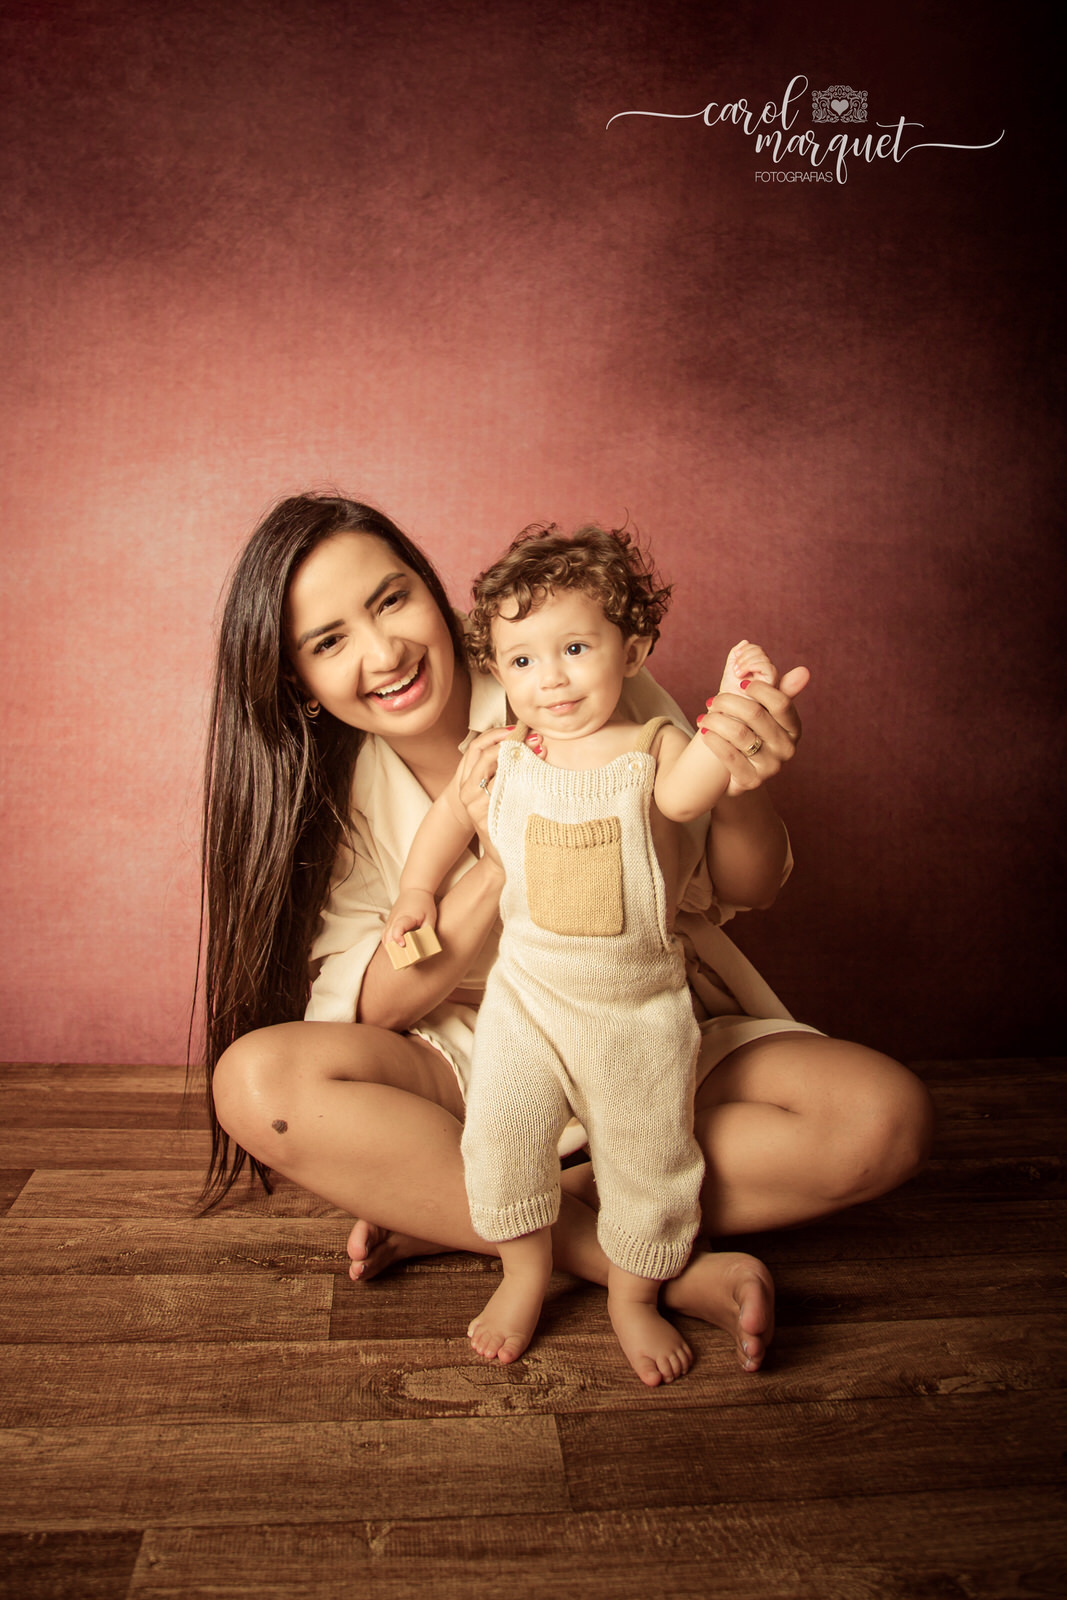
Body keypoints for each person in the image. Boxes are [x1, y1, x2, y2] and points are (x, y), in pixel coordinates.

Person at [203, 491, 933, 1388]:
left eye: (391, 600)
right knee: (259, 1081)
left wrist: (736, 771)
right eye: (328, 642)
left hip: (646, 1020)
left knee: (882, 1121)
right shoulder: (332, 794)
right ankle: (625, 1259)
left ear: (433, 595)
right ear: (298, 687)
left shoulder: (561, 661)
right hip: (483, 1051)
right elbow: (384, 998)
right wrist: (509, 850)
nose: (382, 652)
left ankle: (464, 1205)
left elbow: (745, 886)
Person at [382, 524, 782, 1382]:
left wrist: (733, 715)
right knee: (500, 1136)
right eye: (522, 661)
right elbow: (450, 818)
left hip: (635, 1011)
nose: (550, 678)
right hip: (527, 1001)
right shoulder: (504, 754)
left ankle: (631, 1296)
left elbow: (690, 791)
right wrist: (418, 891)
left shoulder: (650, 751)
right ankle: (523, 1272)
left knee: (650, 1161)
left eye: (573, 648)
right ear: (496, 669)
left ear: (632, 649)